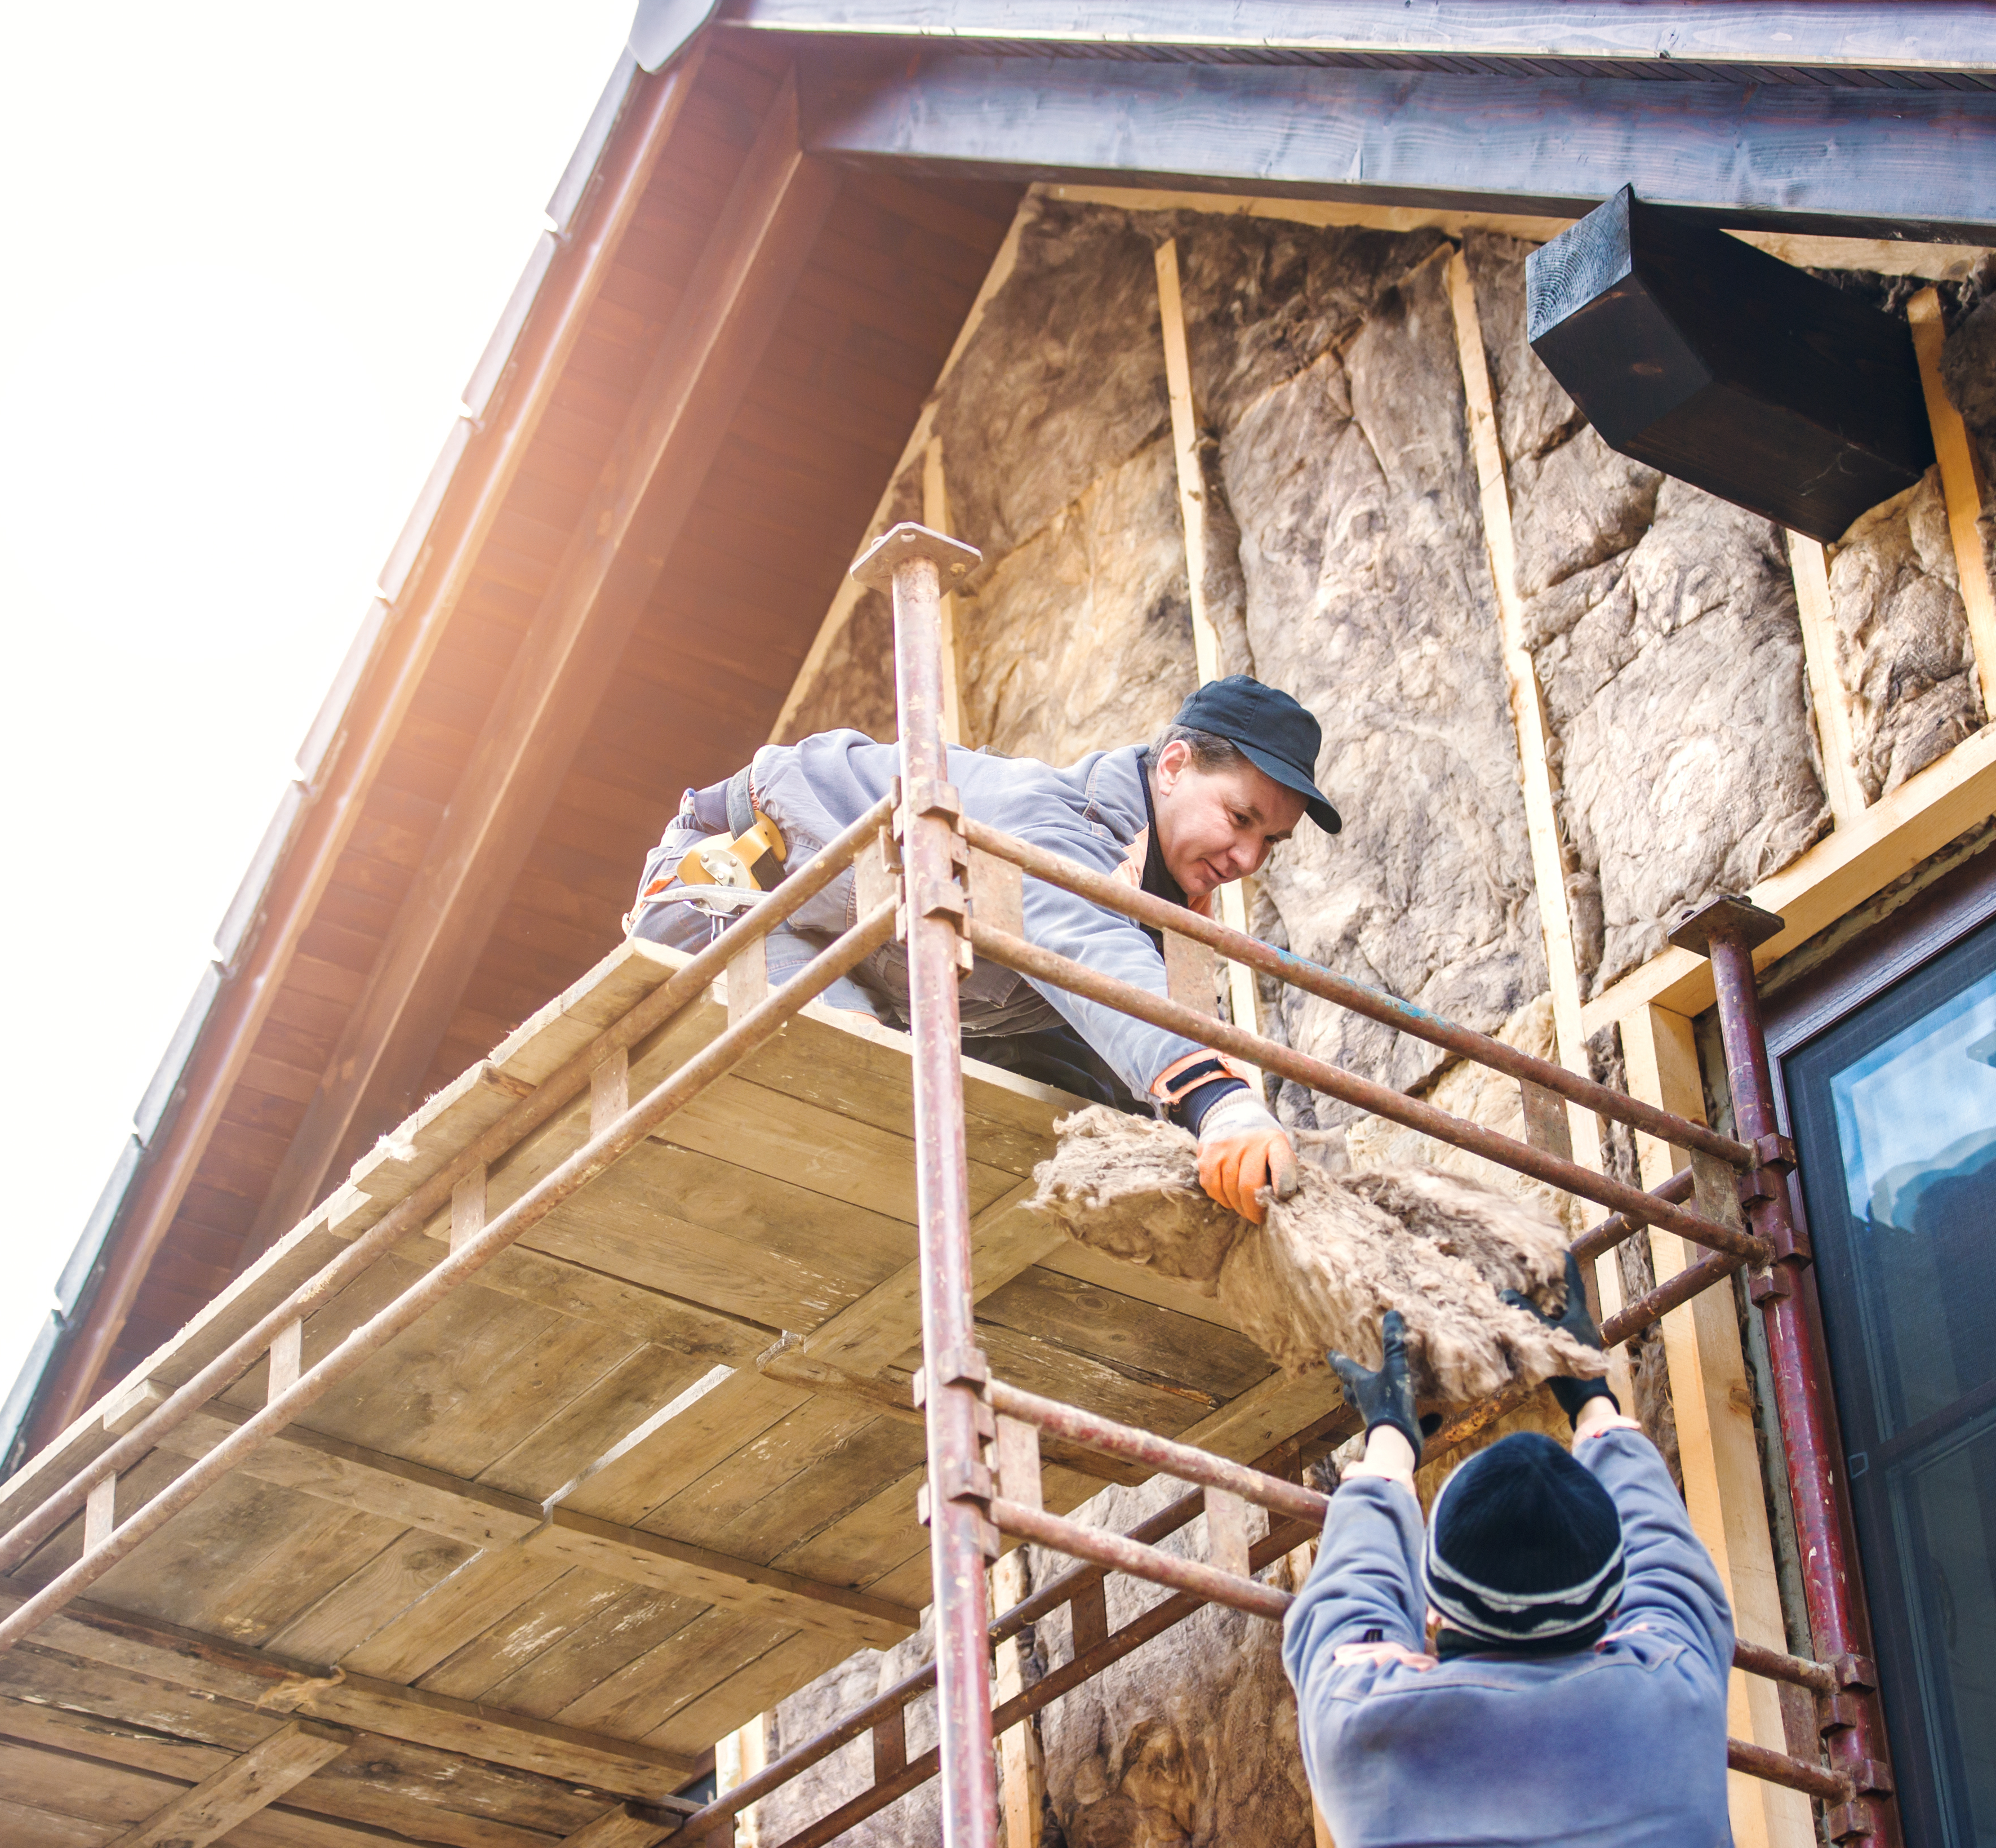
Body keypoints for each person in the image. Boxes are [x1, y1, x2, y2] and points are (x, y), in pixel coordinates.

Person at [623, 675, 1341, 1223]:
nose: (1247, 856)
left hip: (857, 957)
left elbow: (1098, 1050)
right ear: (1174, 765)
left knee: (1057, 1124)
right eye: (1239, 818)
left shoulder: (1156, 910)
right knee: (860, 1086)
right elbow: (1087, 948)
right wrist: (1219, 1102)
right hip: (737, 888)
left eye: (1269, 842)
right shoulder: (1058, 827)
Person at [1287, 1274, 1734, 1847]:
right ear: (1611, 1600)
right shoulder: (1675, 1690)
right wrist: (1590, 1394)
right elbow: (1665, 1559)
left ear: (1432, 1613)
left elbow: (1351, 1597)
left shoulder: (1362, 1723)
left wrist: (1391, 1434)